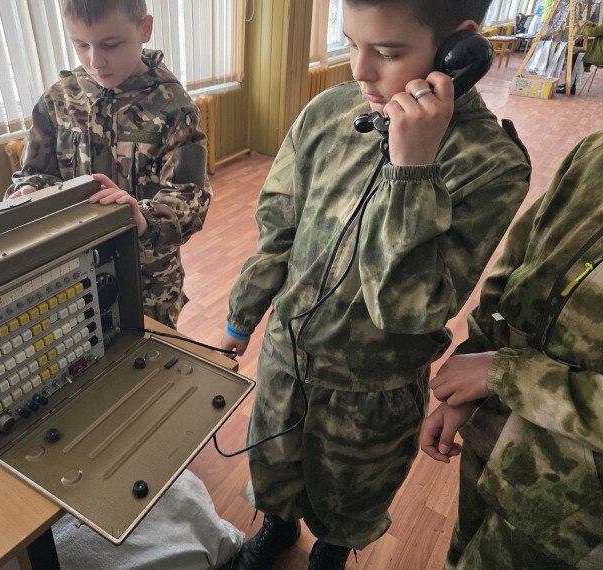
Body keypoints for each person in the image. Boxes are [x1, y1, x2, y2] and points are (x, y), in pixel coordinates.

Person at [220, 1, 531, 568]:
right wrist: (242, 317)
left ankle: (331, 553)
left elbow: (409, 308)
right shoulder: (330, 111)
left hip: (371, 390)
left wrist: (411, 170)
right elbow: (279, 225)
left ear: (457, 51)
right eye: (350, 43)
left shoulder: (490, 163)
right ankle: (277, 528)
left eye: (386, 52)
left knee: (351, 499)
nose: (359, 71)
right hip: (288, 360)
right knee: (275, 469)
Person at [421, 131, 603, 568]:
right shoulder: (594, 151)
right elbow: (518, 268)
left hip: (573, 515)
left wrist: (505, 375)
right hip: (495, 441)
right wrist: (473, 384)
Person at [5, 0, 212, 330]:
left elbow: (190, 200)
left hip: (146, 282)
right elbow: (34, 173)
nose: (95, 61)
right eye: (81, 45)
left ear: (144, 29)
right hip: (73, 275)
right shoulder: (58, 100)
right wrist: (29, 190)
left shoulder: (174, 109)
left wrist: (142, 217)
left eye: (110, 45)